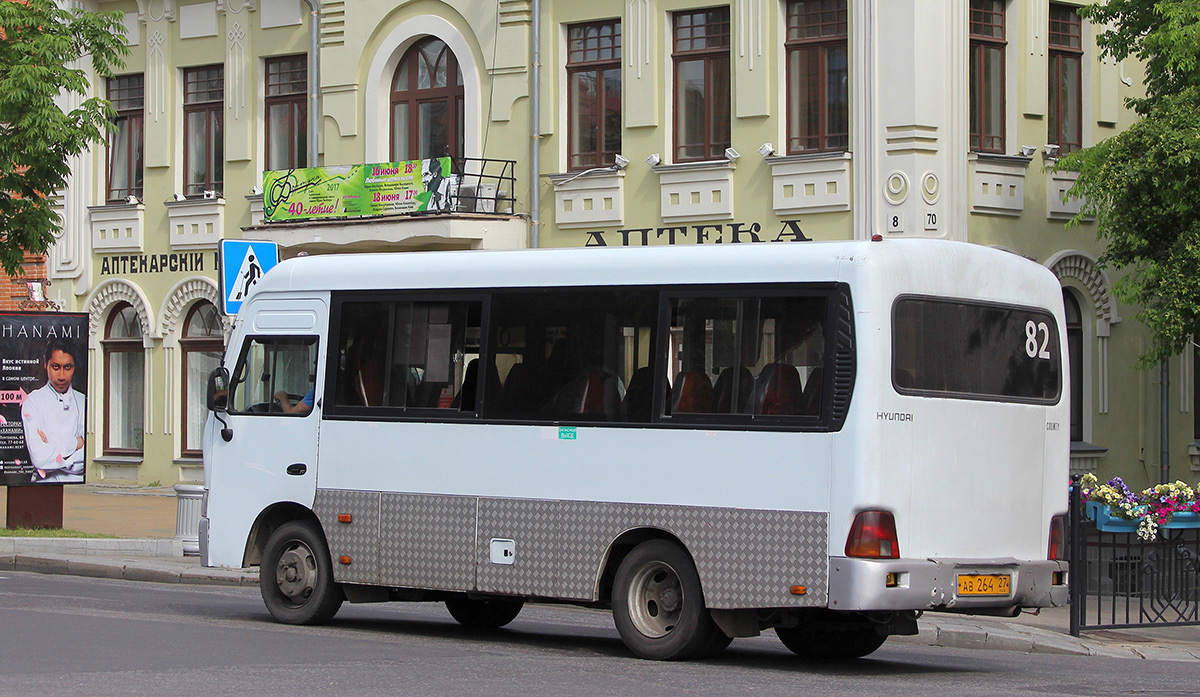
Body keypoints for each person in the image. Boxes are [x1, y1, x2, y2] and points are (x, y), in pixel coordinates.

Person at [22, 339, 86, 483]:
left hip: (77, 490)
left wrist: (52, 448)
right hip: (43, 487)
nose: (62, 376)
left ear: (75, 366)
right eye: (56, 367)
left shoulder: (83, 402)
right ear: (46, 364)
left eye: (67, 367)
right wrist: (75, 443)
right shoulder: (33, 402)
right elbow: (39, 459)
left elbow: (85, 460)